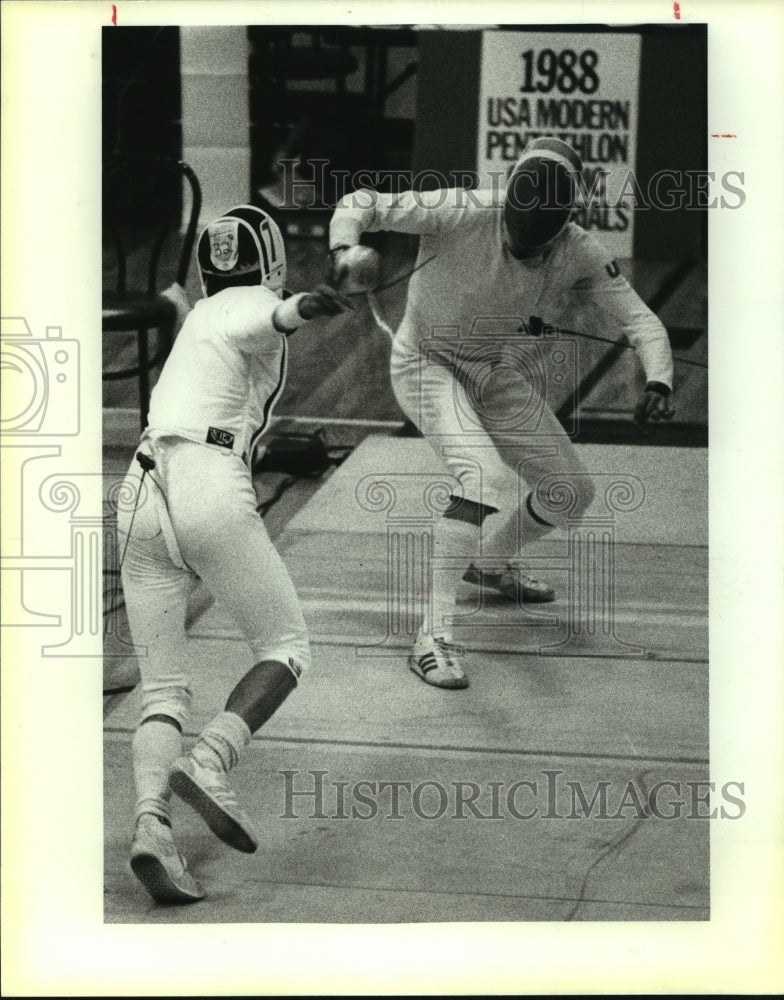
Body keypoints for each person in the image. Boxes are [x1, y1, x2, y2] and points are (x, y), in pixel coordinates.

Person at [329, 137, 674, 691]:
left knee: (570, 491)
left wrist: (659, 377)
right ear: (507, 204)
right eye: (517, 235)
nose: (523, 249)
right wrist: (344, 250)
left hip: (493, 370)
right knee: (483, 476)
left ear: (563, 224)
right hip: (425, 362)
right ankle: (433, 636)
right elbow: (361, 201)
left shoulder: (579, 249)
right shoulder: (463, 208)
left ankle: (488, 562)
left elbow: (642, 323)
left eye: (537, 243)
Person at [116, 204, 352, 903]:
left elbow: (231, 328)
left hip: (139, 488)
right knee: (286, 645)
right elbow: (260, 319)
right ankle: (212, 760)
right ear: (272, 261)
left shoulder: (198, 316)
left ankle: (151, 825)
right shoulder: (251, 305)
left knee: (162, 688)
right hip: (206, 487)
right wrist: (300, 307)